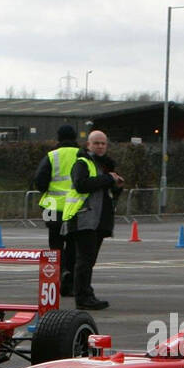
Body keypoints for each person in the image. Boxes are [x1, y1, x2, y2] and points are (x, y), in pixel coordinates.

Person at [63, 130, 124, 311]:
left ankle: (84, 293)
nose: (100, 146)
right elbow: (81, 185)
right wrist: (107, 179)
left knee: (88, 260)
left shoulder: (105, 166)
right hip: (84, 218)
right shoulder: (82, 163)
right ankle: (83, 296)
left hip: (98, 220)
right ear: (88, 145)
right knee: (84, 260)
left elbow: (107, 193)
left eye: (103, 143)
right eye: (96, 143)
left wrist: (116, 185)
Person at [32, 124, 81, 296]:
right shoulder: (82, 156)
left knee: (55, 243)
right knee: (73, 244)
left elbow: (39, 180)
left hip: (52, 207)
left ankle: (57, 276)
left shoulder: (52, 156)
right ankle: (69, 278)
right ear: (75, 137)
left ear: (58, 138)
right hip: (75, 206)